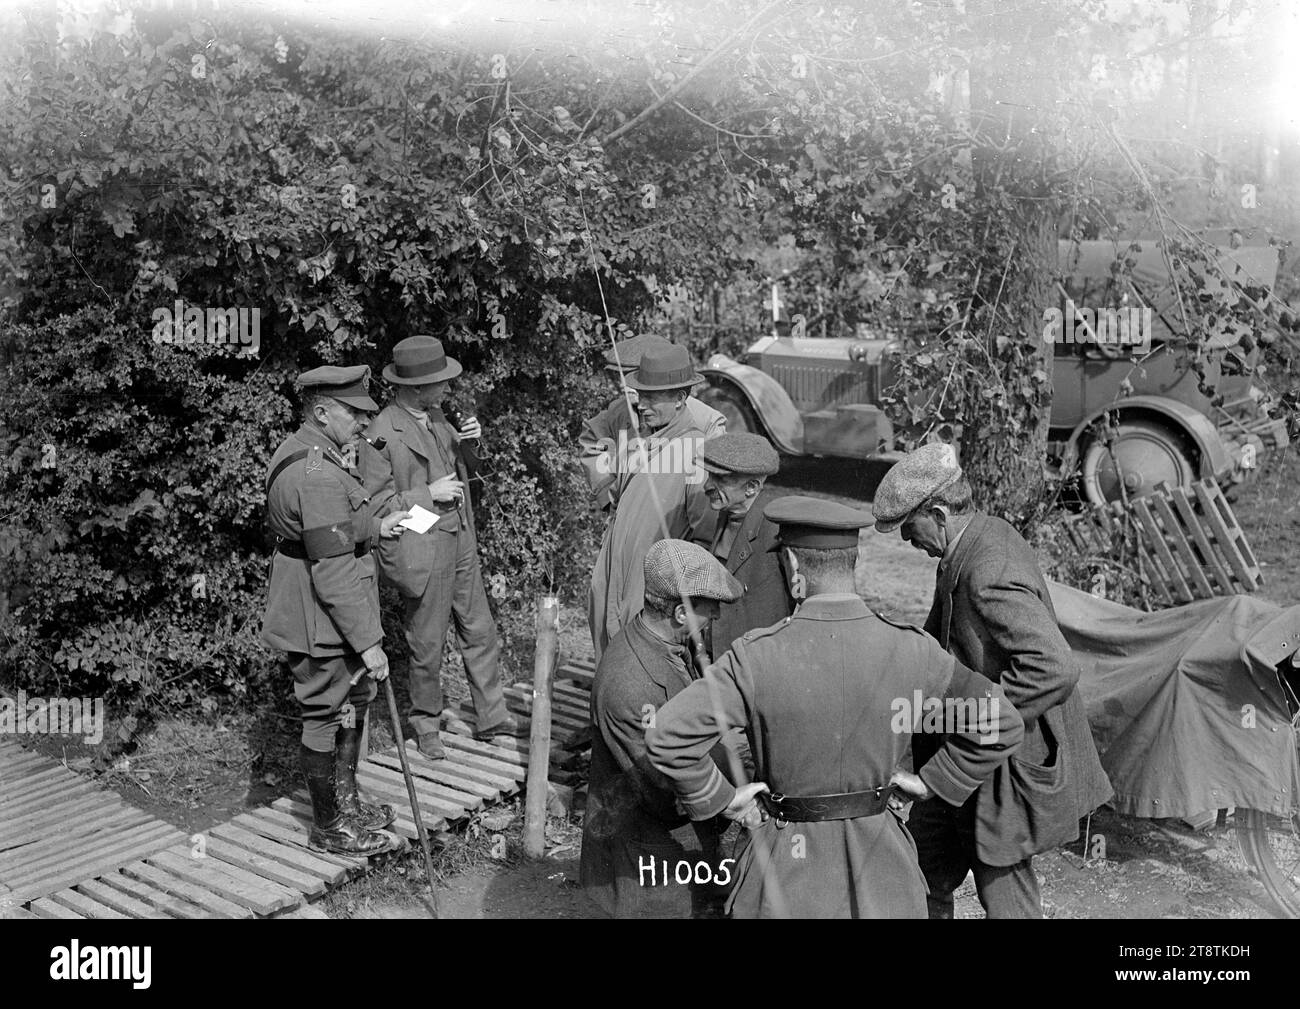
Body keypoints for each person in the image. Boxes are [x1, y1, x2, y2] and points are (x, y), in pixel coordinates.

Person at [645, 496, 1024, 918]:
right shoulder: (913, 651)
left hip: (785, 877)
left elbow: (667, 736)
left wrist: (723, 798)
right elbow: (1002, 721)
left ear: (791, 566)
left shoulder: (754, 657)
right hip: (885, 878)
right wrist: (933, 781)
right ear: (854, 562)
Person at [872, 442, 1112, 919]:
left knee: (1004, 891)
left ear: (937, 513)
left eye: (907, 526)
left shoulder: (986, 569)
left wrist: (983, 719)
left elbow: (1054, 667)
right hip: (967, 755)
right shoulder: (978, 538)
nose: (904, 540)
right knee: (921, 870)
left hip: (1000, 764)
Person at [261, 365, 411, 855]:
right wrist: (370, 644)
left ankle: (346, 802)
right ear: (322, 412)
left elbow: (332, 528)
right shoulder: (319, 475)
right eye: (354, 413)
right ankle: (328, 826)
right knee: (326, 711)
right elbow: (332, 572)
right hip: (318, 613)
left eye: (367, 412)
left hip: (318, 603)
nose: (364, 422)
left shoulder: (308, 452)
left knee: (352, 700)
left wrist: (375, 528)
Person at [359, 335, 525, 761]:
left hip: (461, 537)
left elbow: (473, 470)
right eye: (442, 382)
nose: (449, 389)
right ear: (415, 387)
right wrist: (428, 494)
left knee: (480, 629)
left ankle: (491, 716)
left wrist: (471, 442)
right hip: (421, 540)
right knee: (427, 642)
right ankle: (426, 725)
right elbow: (376, 509)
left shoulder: (439, 416)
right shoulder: (380, 433)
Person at [580, 539, 744, 918]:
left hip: (673, 848)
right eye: (709, 607)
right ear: (679, 614)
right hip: (647, 865)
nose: (716, 615)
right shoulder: (629, 683)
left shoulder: (667, 644)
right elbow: (665, 793)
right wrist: (732, 794)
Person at [587, 343, 716, 659]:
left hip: (651, 594)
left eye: (650, 397)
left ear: (680, 398)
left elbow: (704, 540)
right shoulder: (640, 442)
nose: (640, 405)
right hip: (613, 579)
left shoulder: (696, 451)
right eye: (639, 395)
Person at [579, 334, 724, 514]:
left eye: (635, 376)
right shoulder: (618, 412)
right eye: (622, 377)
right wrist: (606, 493)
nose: (628, 387)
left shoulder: (706, 421)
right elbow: (593, 441)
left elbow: (712, 489)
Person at [699, 432, 792, 659]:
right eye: (710, 475)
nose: (707, 486)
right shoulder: (722, 515)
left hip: (756, 661)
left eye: (720, 479)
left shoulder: (777, 528)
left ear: (751, 487)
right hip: (719, 656)